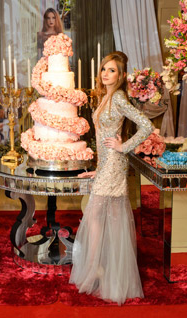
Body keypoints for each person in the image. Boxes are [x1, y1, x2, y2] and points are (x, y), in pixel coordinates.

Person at [69, 51, 153, 305]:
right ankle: (100, 267)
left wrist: (123, 147)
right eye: (104, 69)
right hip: (107, 165)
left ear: (122, 75)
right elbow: (102, 139)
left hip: (115, 163)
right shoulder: (106, 97)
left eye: (112, 70)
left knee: (97, 215)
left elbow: (146, 126)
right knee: (97, 217)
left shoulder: (117, 97)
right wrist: (100, 167)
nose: (106, 73)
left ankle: (100, 269)